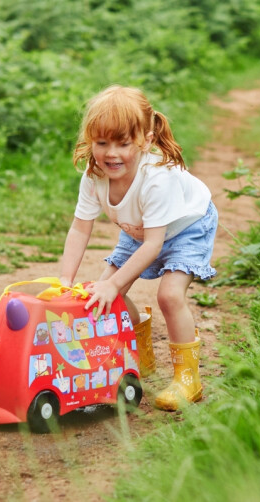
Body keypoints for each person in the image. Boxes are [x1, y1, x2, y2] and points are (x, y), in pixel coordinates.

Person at [59, 85, 218, 411]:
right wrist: (64, 281)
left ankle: (189, 379)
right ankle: (138, 351)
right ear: (91, 140)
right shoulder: (93, 175)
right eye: (102, 143)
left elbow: (154, 244)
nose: (110, 154)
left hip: (186, 227)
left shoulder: (156, 177)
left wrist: (113, 283)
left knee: (169, 296)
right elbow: (79, 228)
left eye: (123, 143)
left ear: (145, 140)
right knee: (100, 298)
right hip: (139, 231)